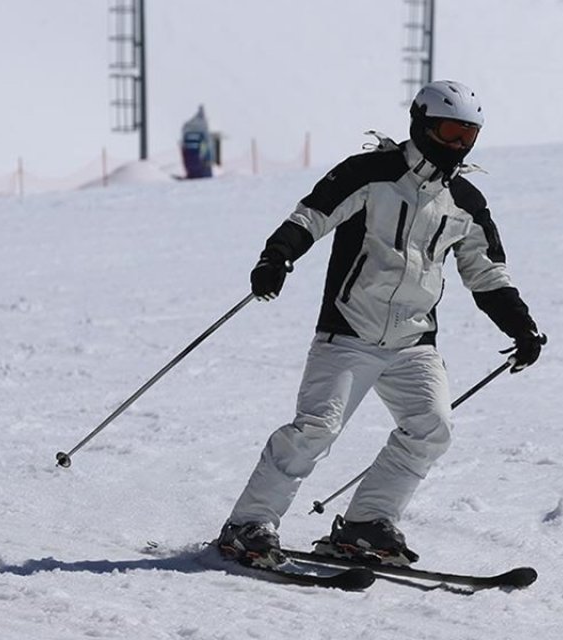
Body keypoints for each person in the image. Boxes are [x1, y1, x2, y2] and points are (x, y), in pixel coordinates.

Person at [216, 80, 545, 568]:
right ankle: (248, 526)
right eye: (451, 131)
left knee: (431, 428)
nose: (458, 145)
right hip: (349, 331)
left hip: (414, 340)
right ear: (423, 123)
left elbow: (487, 272)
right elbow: (312, 216)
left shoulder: (466, 202)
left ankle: (367, 523)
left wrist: (521, 327)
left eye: (468, 136)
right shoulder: (370, 173)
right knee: (315, 430)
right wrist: (277, 257)